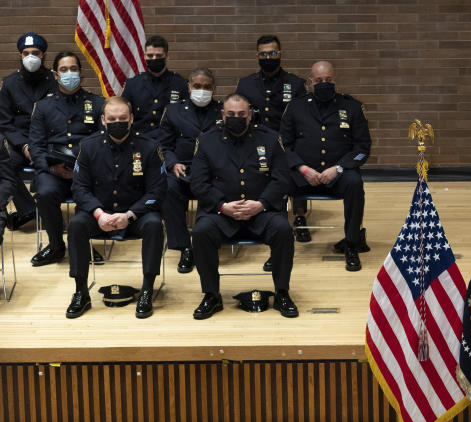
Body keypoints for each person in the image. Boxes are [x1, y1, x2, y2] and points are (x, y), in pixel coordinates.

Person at [190, 93, 298, 319]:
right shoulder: (207, 141)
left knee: (283, 230)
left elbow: (282, 179)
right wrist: (222, 206)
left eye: (241, 114)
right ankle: (211, 294)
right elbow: (199, 183)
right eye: (231, 114)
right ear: (223, 115)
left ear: (250, 115)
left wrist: (261, 204)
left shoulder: (269, 139)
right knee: (201, 232)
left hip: (261, 211)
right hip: (222, 212)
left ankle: (282, 292)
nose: (236, 118)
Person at [66, 96, 165, 319]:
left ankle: (147, 290)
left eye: (122, 118)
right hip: (100, 215)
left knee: (154, 225)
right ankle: (81, 292)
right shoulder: (88, 147)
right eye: (112, 119)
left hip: (135, 215)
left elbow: (157, 192)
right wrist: (99, 214)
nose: (117, 122)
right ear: (103, 120)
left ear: (131, 119)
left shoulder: (149, 148)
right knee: (76, 225)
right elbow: (79, 189)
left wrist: (129, 215)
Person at [279, 60, 371, 271]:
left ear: (335, 80)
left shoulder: (352, 107)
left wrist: (339, 168)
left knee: (355, 184)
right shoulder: (295, 107)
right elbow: (283, 144)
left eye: (328, 80)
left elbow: (362, 147)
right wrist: (302, 168)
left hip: (338, 174)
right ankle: (280, 248)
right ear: (310, 82)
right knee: (279, 184)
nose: (324, 83)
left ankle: (351, 244)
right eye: (319, 80)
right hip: (304, 173)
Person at [28, 51, 105, 267]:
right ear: (55, 75)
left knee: (91, 192)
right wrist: (51, 168)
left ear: (81, 73)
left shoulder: (97, 103)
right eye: (64, 70)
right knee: (45, 192)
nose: (69, 73)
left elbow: (104, 143)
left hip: (86, 170)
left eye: (73, 69)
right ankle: (55, 245)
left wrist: (84, 168)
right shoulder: (43, 106)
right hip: (53, 169)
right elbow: (36, 144)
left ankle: (83, 243)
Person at [236, 35, 308, 242]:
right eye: (264, 54)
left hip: (286, 143)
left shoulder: (295, 84)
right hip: (254, 142)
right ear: (257, 56)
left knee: (293, 161)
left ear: (280, 54)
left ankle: (300, 216)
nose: (268, 57)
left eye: (272, 53)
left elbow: (302, 119)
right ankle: (253, 213)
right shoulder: (246, 84)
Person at [158, 68, 222, 274]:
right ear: (189, 87)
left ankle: (209, 242)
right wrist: (172, 163)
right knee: (167, 187)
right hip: (183, 169)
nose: (201, 90)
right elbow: (164, 146)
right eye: (197, 86)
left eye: (207, 87)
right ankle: (185, 247)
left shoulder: (222, 111)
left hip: (212, 172)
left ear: (214, 88)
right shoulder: (174, 110)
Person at [0, 32, 57, 232]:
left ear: (43, 55)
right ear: (20, 55)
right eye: (26, 53)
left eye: (35, 52)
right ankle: (30, 209)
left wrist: (37, 147)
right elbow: (5, 122)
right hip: (19, 143)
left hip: (48, 142)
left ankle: (46, 205)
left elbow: (59, 119)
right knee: (4, 166)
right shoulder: (9, 83)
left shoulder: (54, 80)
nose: (30, 57)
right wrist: (24, 146)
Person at [120, 35, 188, 141]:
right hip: (139, 141)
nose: (154, 59)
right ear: (144, 56)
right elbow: (123, 114)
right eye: (150, 55)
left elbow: (185, 118)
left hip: (169, 142)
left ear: (167, 57)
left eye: (159, 55)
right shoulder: (132, 84)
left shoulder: (180, 84)